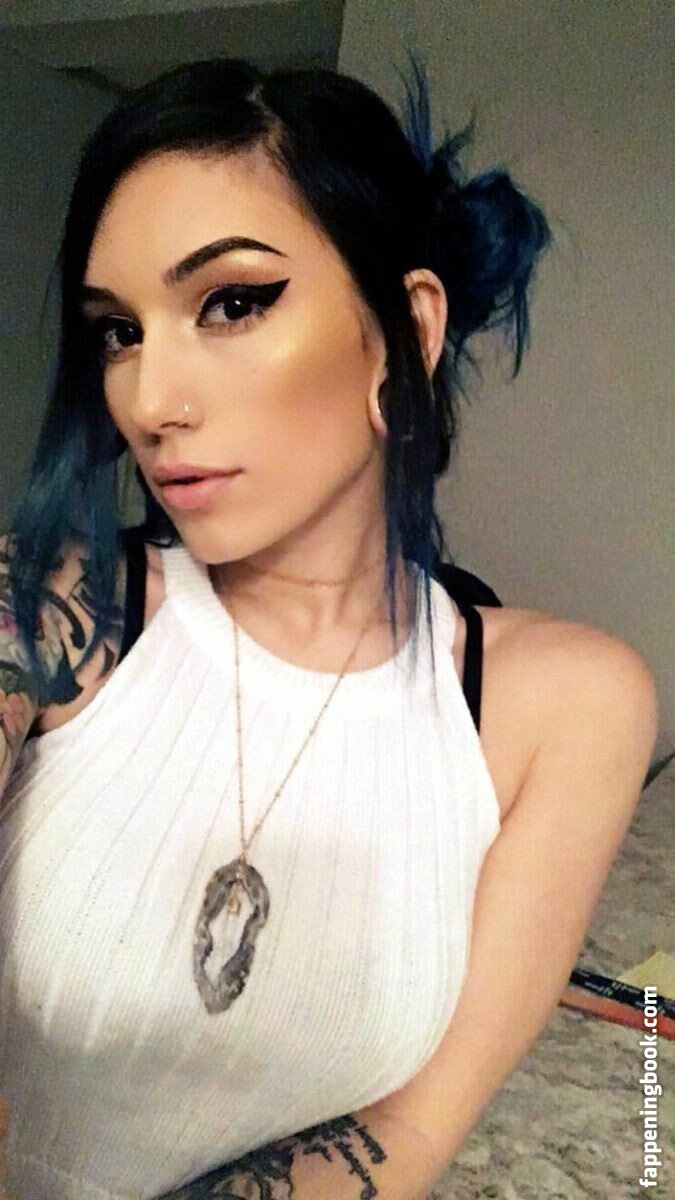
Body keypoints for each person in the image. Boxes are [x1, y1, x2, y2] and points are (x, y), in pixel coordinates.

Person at [0, 52, 658, 1200]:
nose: (151, 401)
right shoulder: (50, 608)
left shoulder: (565, 704)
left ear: (405, 329)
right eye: (118, 331)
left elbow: (408, 1131)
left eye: (232, 303)